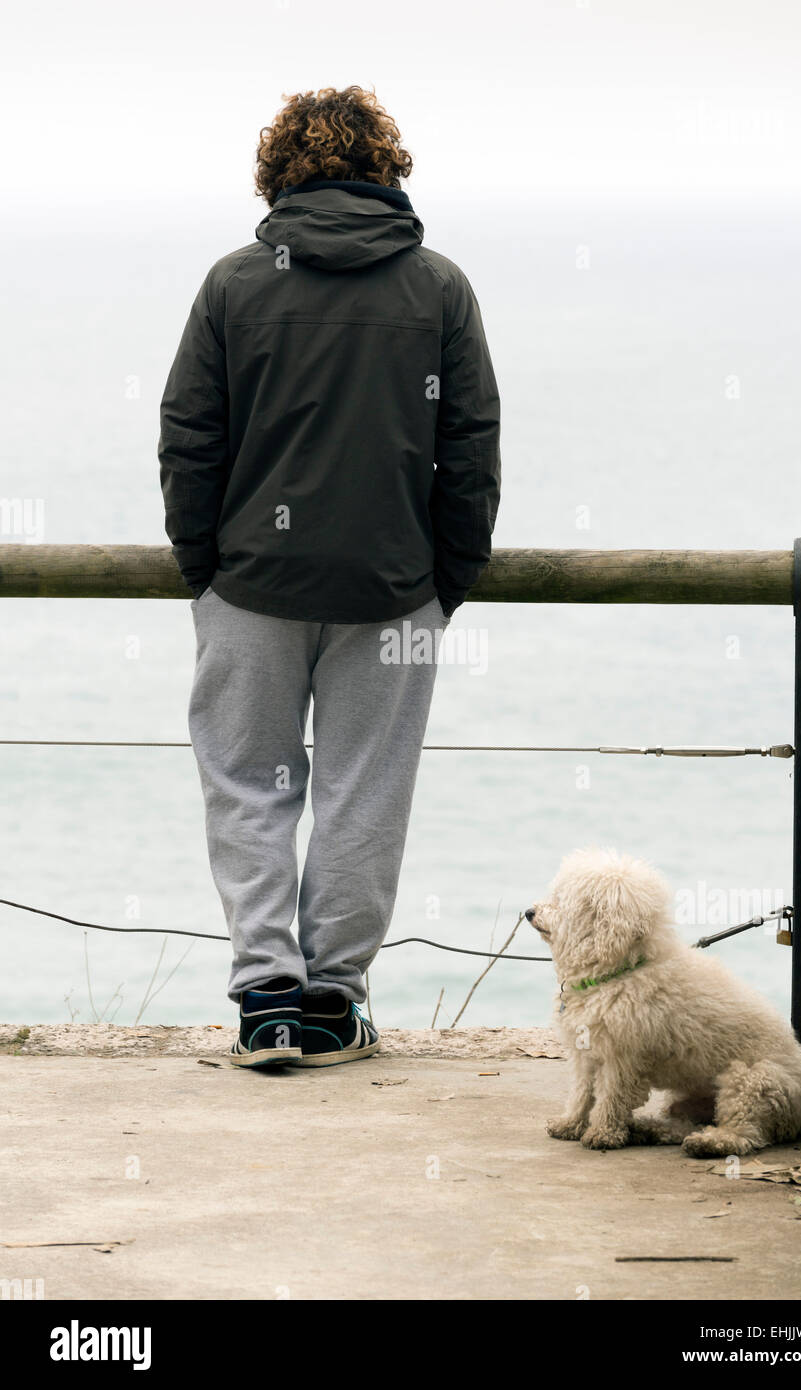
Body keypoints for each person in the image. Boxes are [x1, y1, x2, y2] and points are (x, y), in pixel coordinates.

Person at [159, 86, 500, 1068]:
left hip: (252, 590)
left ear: (276, 175)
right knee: (364, 789)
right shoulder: (439, 288)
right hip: (391, 590)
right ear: (388, 173)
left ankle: (266, 1000)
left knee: (247, 785)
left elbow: (190, 436)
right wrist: (444, 579)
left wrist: (205, 570)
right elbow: (471, 450)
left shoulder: (233, 283)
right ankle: (331, 1001)